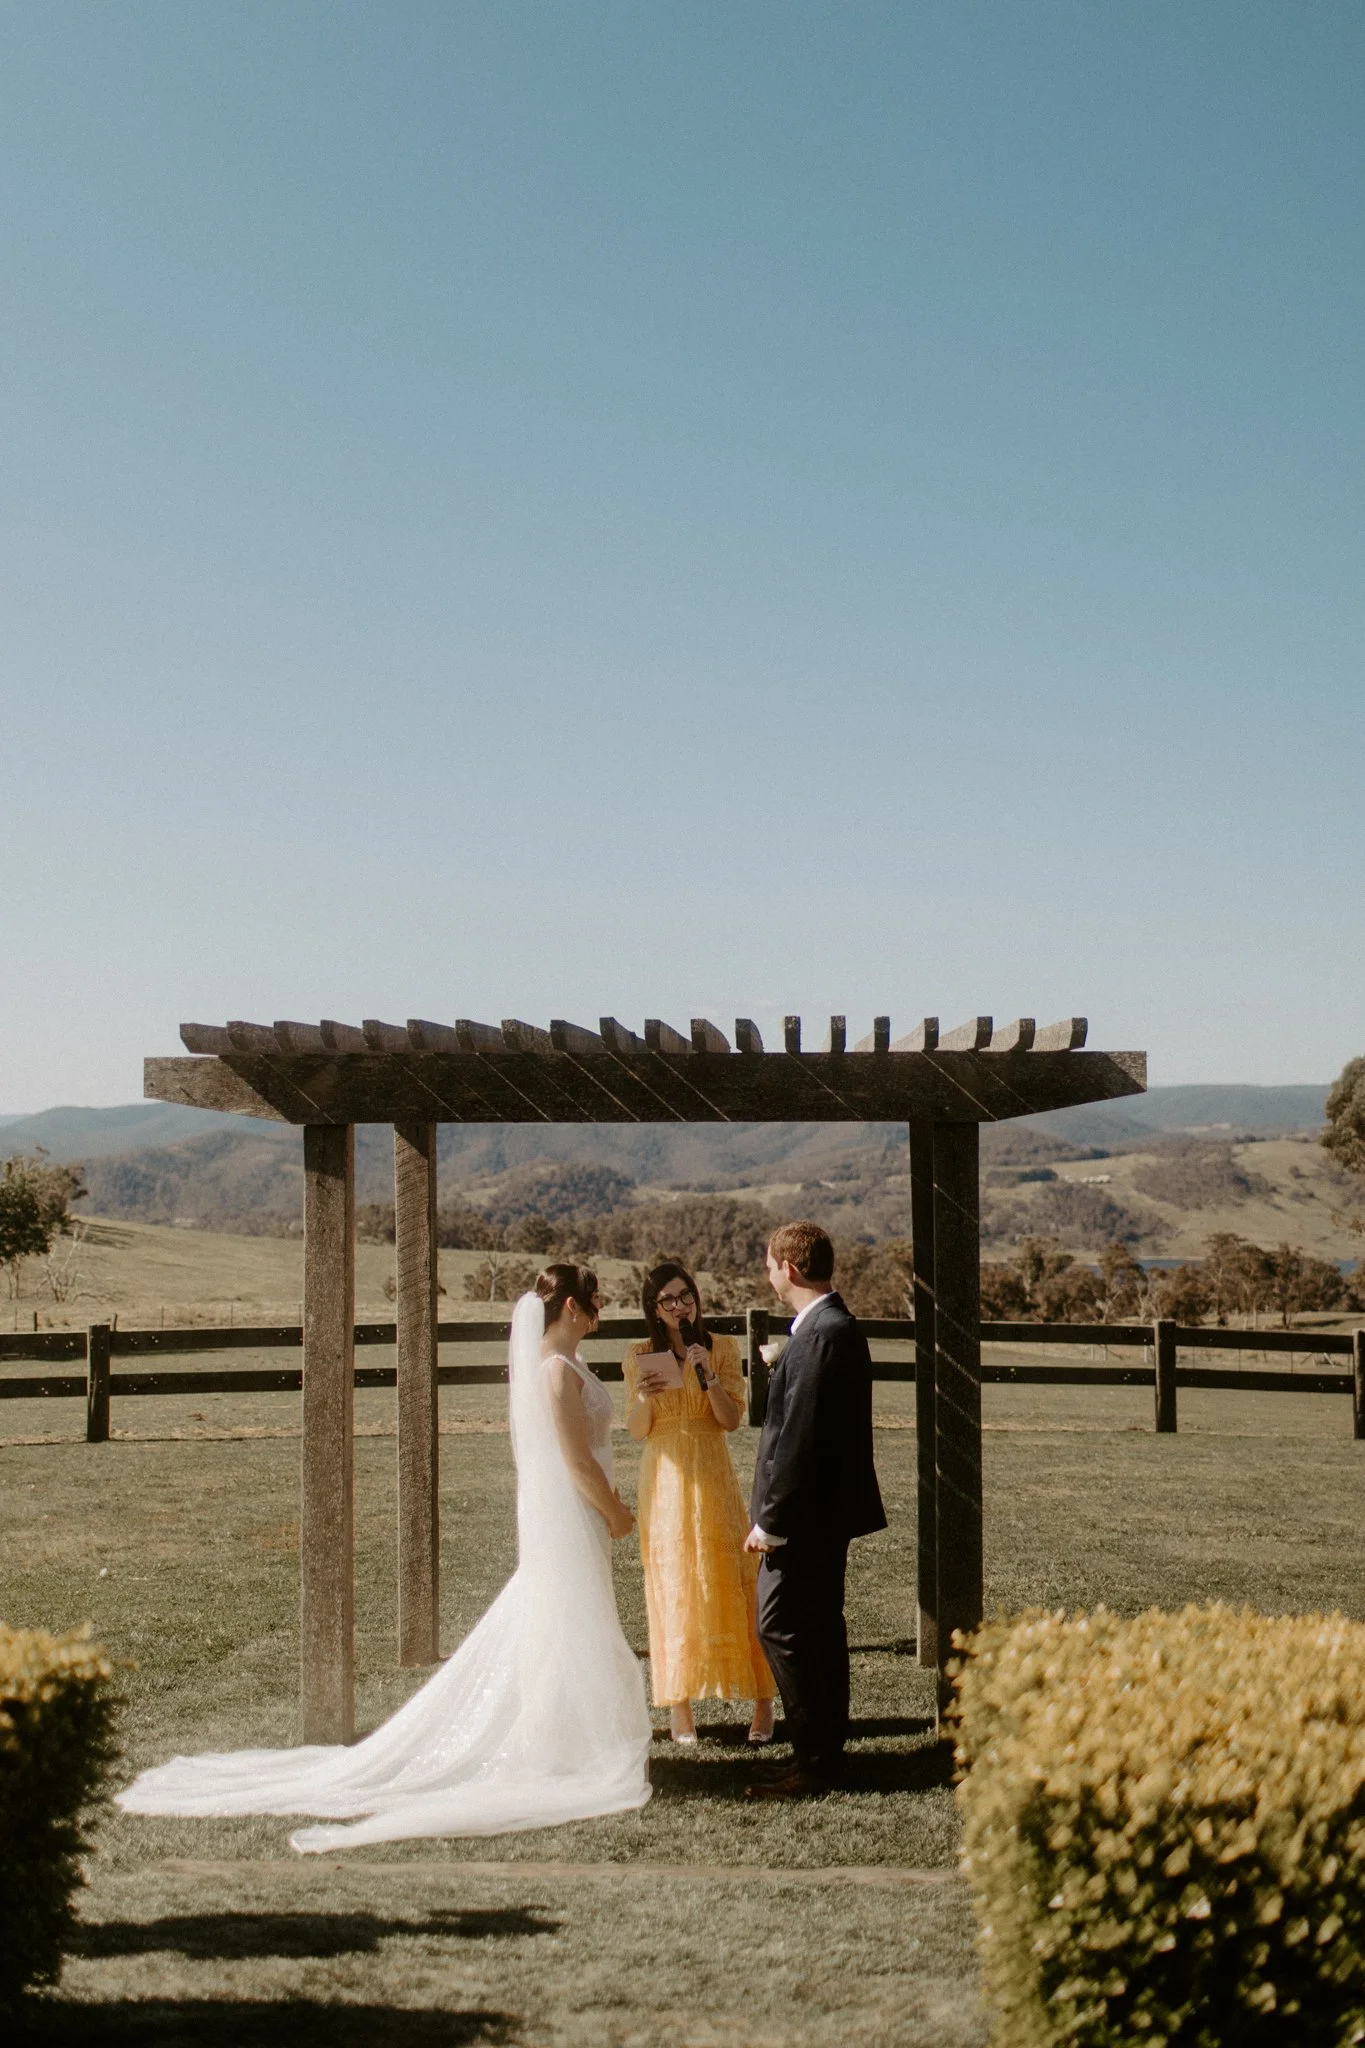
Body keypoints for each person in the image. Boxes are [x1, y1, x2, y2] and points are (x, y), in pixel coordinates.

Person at [117, 1265, 652, 1849]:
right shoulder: (555, 1372)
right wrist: (615, 1513)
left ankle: (563, 1735)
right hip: (576, 1513)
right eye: (595, 1300)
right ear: (571, 1308)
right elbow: (575, 1461)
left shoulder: (565, 1365)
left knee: (562, 1620)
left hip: (579, 1515)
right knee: (561, 1618)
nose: (601, 1309)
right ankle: (558, 1743)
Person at [744, 1222, 885, 1798]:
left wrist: (772, 1523)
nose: (769, 1275)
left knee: (781, 1626)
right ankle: (821, 1755)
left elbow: (800, 1439)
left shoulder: (823, 1335)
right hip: (821, 1516)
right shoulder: (828, 1328)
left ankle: (816, 1759)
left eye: (771, 1265)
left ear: (791, 1269)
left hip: (804, 1519)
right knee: (820, 1629)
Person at [624, 1261, 776, 1745]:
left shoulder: (722, 1349)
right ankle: (680, 1709)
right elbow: (636, 1430)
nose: (678, 1306)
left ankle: (764, 1702)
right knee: (673, 1585)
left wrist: (708, 1375)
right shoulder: (640, 1355)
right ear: (654, 1307)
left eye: (685, 1295)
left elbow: (731, 1421)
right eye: (667, 1299)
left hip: (712, 1474)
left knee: (734, 1581)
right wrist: (646, 1399)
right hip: (664, 1480)